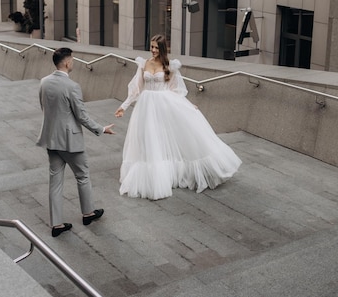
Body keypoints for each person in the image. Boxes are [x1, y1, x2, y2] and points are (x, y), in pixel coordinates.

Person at [115, 34, 242, 200]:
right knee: (149, 140)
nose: (153, 50)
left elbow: (177, 91)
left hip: (165, 105)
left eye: (156, 47)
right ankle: (153, 177)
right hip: (146, 107)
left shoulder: (170, 66)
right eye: (151, 46)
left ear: (162, 49)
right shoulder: (143, 64)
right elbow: (136, 90)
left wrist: (188, 105)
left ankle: (172, 173)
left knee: (166, 139)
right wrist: (123, 106)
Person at [37, 47, 115, 237]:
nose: (73, 62)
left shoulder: (44, 82)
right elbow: (82, 116)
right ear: (66, 62)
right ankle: (88, 213)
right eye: (72, 59)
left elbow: (44, 108)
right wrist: (101, 129)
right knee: (82, 175)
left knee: (55, 182)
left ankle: (56, 225)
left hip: (51, 139)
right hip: (70, 141)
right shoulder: (72, 86)